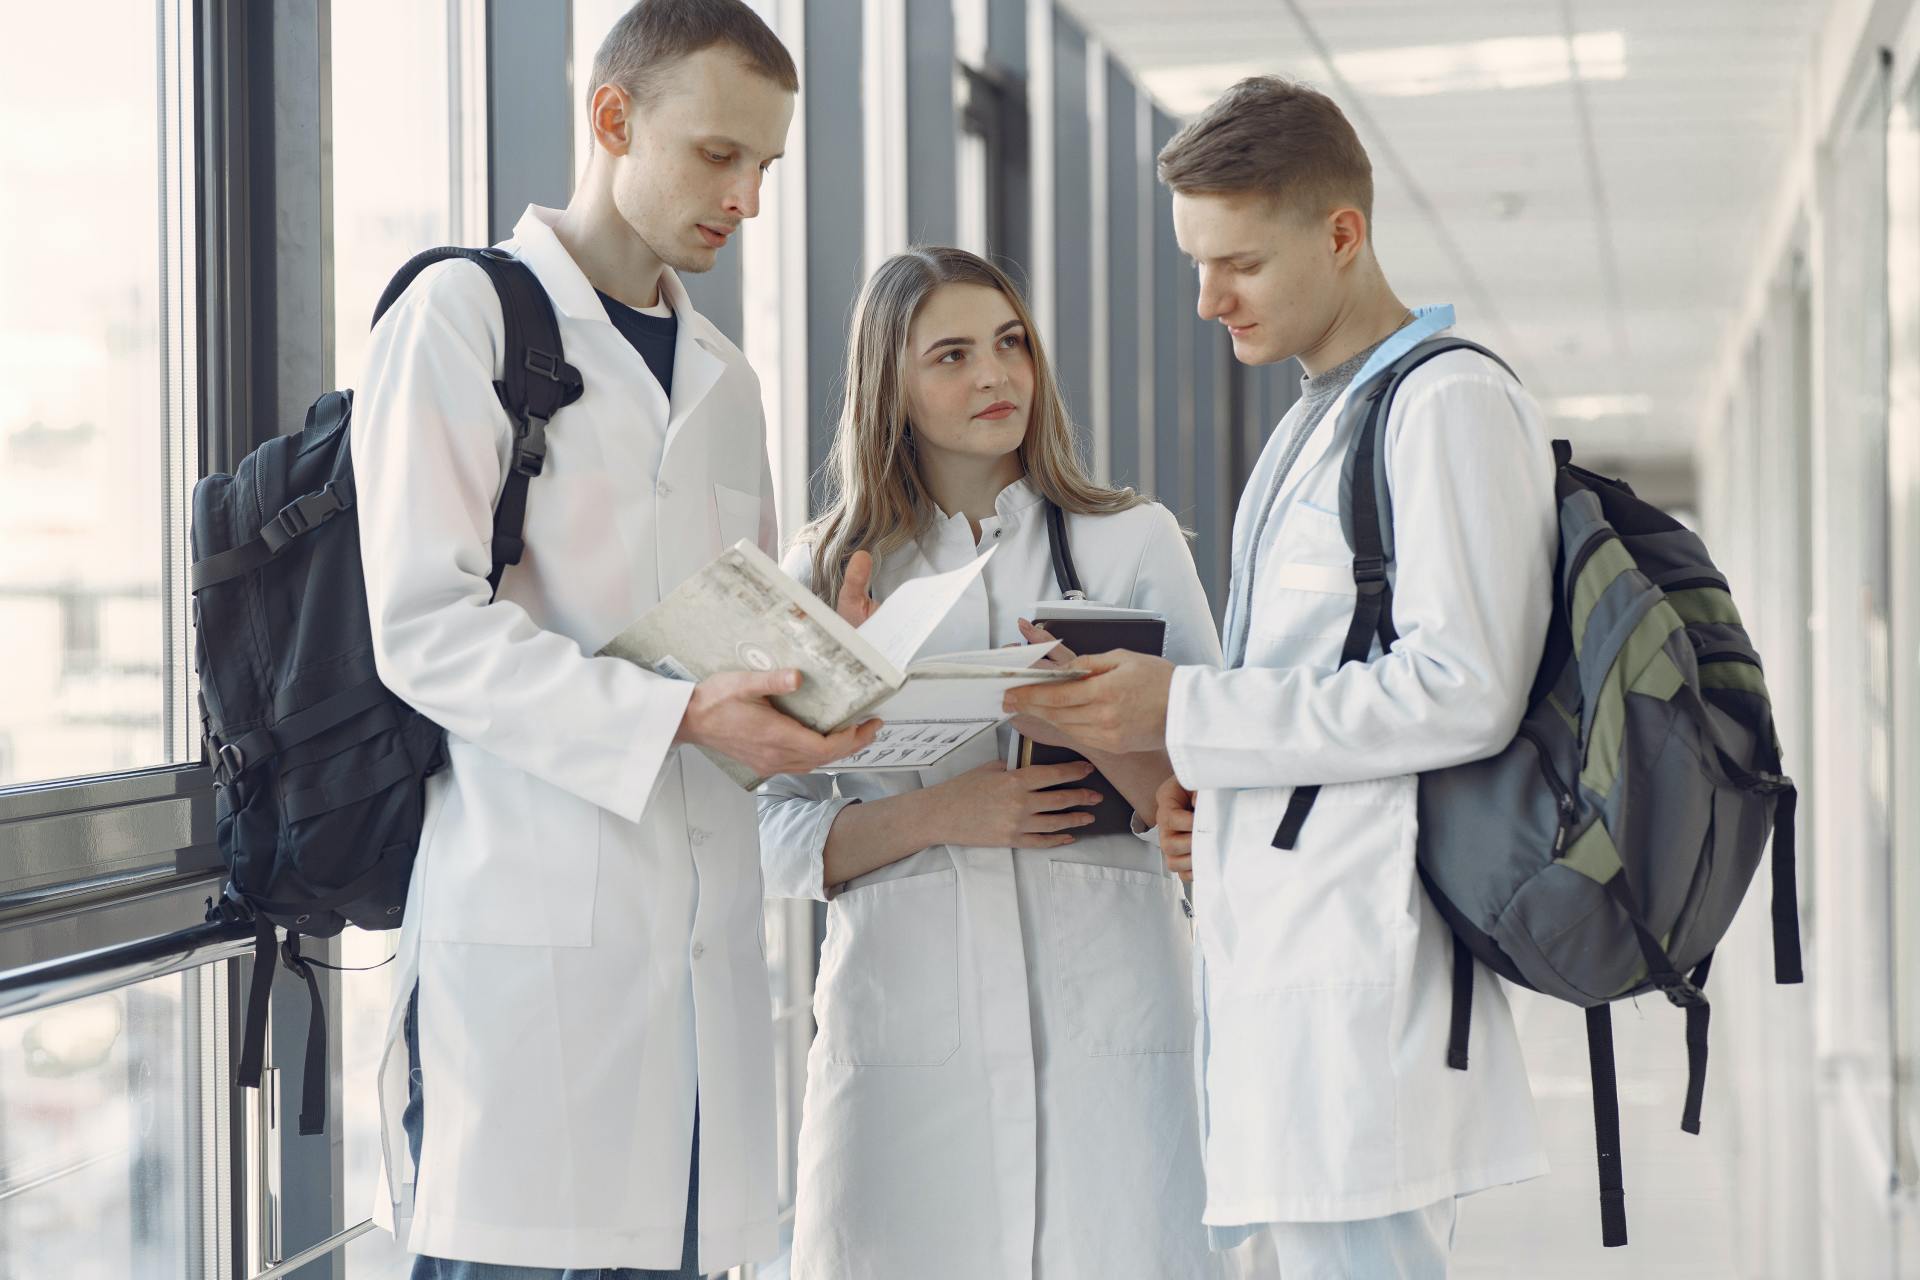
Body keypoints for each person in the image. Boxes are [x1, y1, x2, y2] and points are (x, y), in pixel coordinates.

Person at [353, 3, 877, 1275]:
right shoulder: (462, 319)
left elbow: (719, 633)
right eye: (716, 155)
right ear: (611, 117)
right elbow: (424, 628)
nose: (746, 197)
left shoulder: (726, 378)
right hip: (529, 953)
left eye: (766, 167)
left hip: (700, 973)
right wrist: (681, 715)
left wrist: (813, 667)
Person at [1005, 76, 1555, 1277]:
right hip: (1296, 972)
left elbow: (1466, 684)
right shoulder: (1316, 420)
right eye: (1198, 263)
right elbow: (1319, 691)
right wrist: (1222, 803)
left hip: (1363, 983)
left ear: (1342, 234)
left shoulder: (1446, 402)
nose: (1208, 300)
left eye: (1238, 263)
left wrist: (1188, 711)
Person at [756, 247, 1227, 1279]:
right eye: (953, 355)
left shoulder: (1130, 542)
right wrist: (939, 813)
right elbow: (762, 824)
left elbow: (1217, 787)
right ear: (890, 383)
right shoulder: (824, 572)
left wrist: (1111, 726)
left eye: (1011, 343)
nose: (995, 376)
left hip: (1110, 1041)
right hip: (909, 1050)